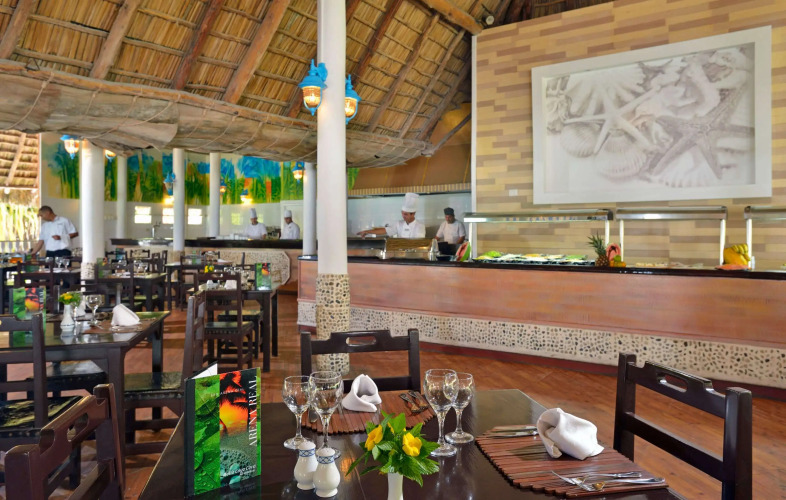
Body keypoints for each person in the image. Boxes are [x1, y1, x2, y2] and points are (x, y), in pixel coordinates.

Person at [357, 192, 426, 239]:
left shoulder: (420, 227)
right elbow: (385, 230)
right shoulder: (399, 224)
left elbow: (418, 243)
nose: (403, 216)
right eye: (402, 213)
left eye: (405, 214)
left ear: (413, 214)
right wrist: (367, 232)